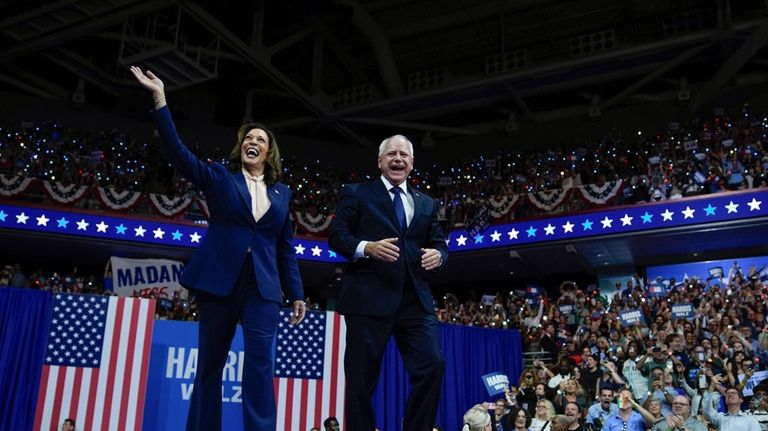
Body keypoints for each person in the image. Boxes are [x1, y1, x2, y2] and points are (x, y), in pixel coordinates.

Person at [130, 66, 306, 431]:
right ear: (241, 146)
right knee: (210, 366)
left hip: (263, 287)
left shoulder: (282, 193)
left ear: (269, 151)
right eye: (247, 138)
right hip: (219, 283)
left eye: (259, 138)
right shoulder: (220, 177)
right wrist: (160, 99)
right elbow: (178, 154)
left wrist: (297, 293)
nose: (251, 141)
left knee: (260, 363)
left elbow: (284, 247)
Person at [328, 134, 448, 431]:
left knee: (432, 364)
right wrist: (367, 247)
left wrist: (440, 255)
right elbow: (337, 236)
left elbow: (440, 243)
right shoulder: (357, 193)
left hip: (414, 299)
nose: (398, 159)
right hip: (368, 296)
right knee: (360, 380)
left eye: (404, 155)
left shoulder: (426, 202)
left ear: (411, 163)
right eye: (391, 154)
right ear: (380, 161)